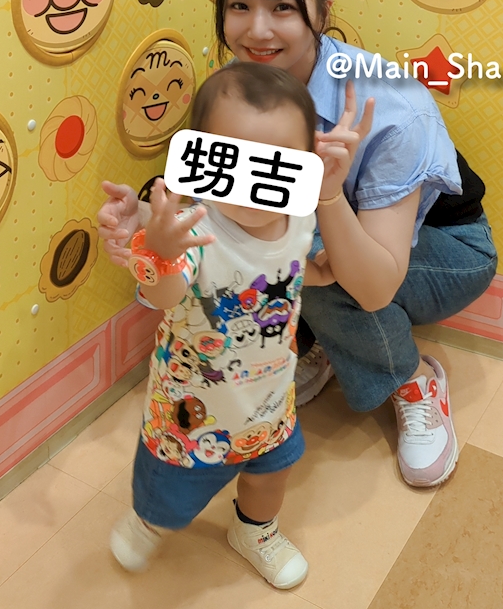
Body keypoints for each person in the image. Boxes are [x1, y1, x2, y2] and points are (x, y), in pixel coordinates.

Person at [100, 0, 496, 490]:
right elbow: (217, 212)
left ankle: (409, 378)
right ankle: (330, 344)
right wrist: (147, 222)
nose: (257, 29)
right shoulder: (238, 87)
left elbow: (375, 286)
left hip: (448, 252)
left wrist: (327, 195)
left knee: (301, 256)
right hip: (335, 244)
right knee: (276, 245)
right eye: (239, 6)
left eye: (283, 7)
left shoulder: (393, 106)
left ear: (323, 11)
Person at [107, 62, 371, 589]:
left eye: (276, 164)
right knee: (168, 494)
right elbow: (166, 294)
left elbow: (301, 269)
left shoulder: (299, 219)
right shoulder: (195, 231)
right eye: (234, 161)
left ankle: (256, 531)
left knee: (271, 476)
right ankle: (148, 521)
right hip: (190, 418)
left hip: (270, 404)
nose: (254, 184)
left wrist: (327, 244)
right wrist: (158, 251)